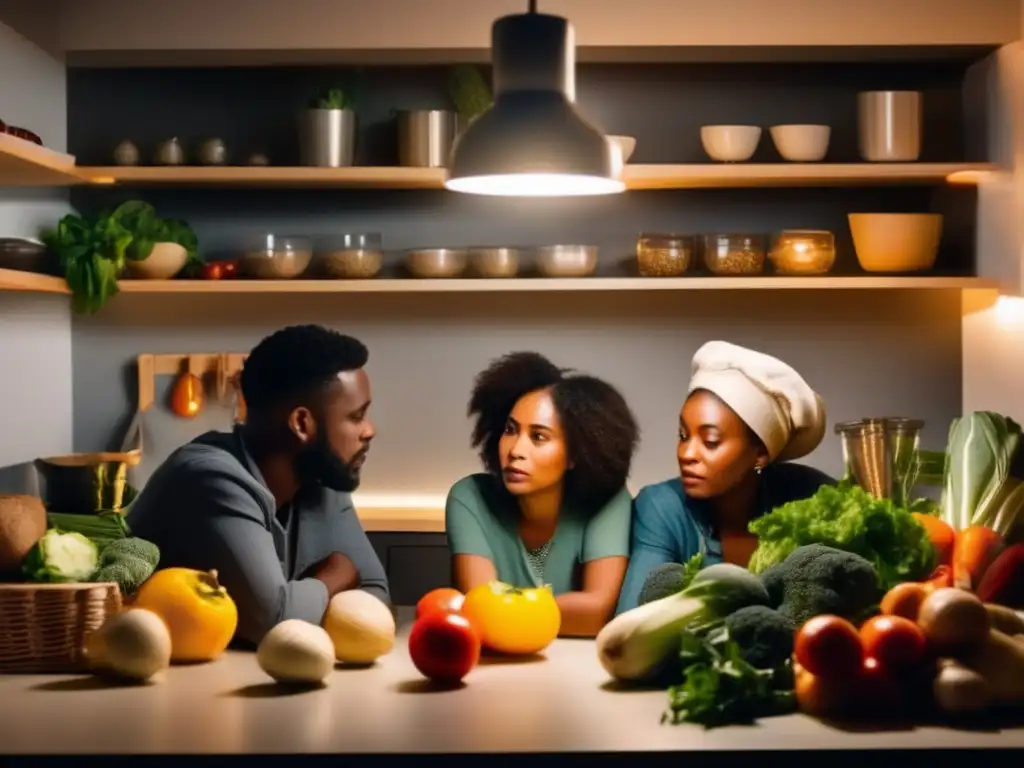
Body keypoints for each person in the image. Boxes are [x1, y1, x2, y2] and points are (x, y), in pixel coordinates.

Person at [127, 325, 390, 645]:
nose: (370, 430)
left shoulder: (323, 475)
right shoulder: (211, 478)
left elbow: (376, 598)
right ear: (302, 424)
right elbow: (273, 620)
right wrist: (336, 575)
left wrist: (303, 600)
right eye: (356, 416)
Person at [615, 340, 834, 615]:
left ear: (760, 454)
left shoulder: (811, 495)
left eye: (710, 440)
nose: (687, 453)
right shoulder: (661, 506)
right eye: (683, 436)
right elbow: (631, 620)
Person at [445, 351, 641, 638]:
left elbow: (598, 613)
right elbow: (482, 613)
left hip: (579, 672)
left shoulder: (608, 502)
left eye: (538, 437)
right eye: (510, 430)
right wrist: (564, 611)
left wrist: (505, 611)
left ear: (575, 453)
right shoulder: (470, 498)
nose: (515, 450)